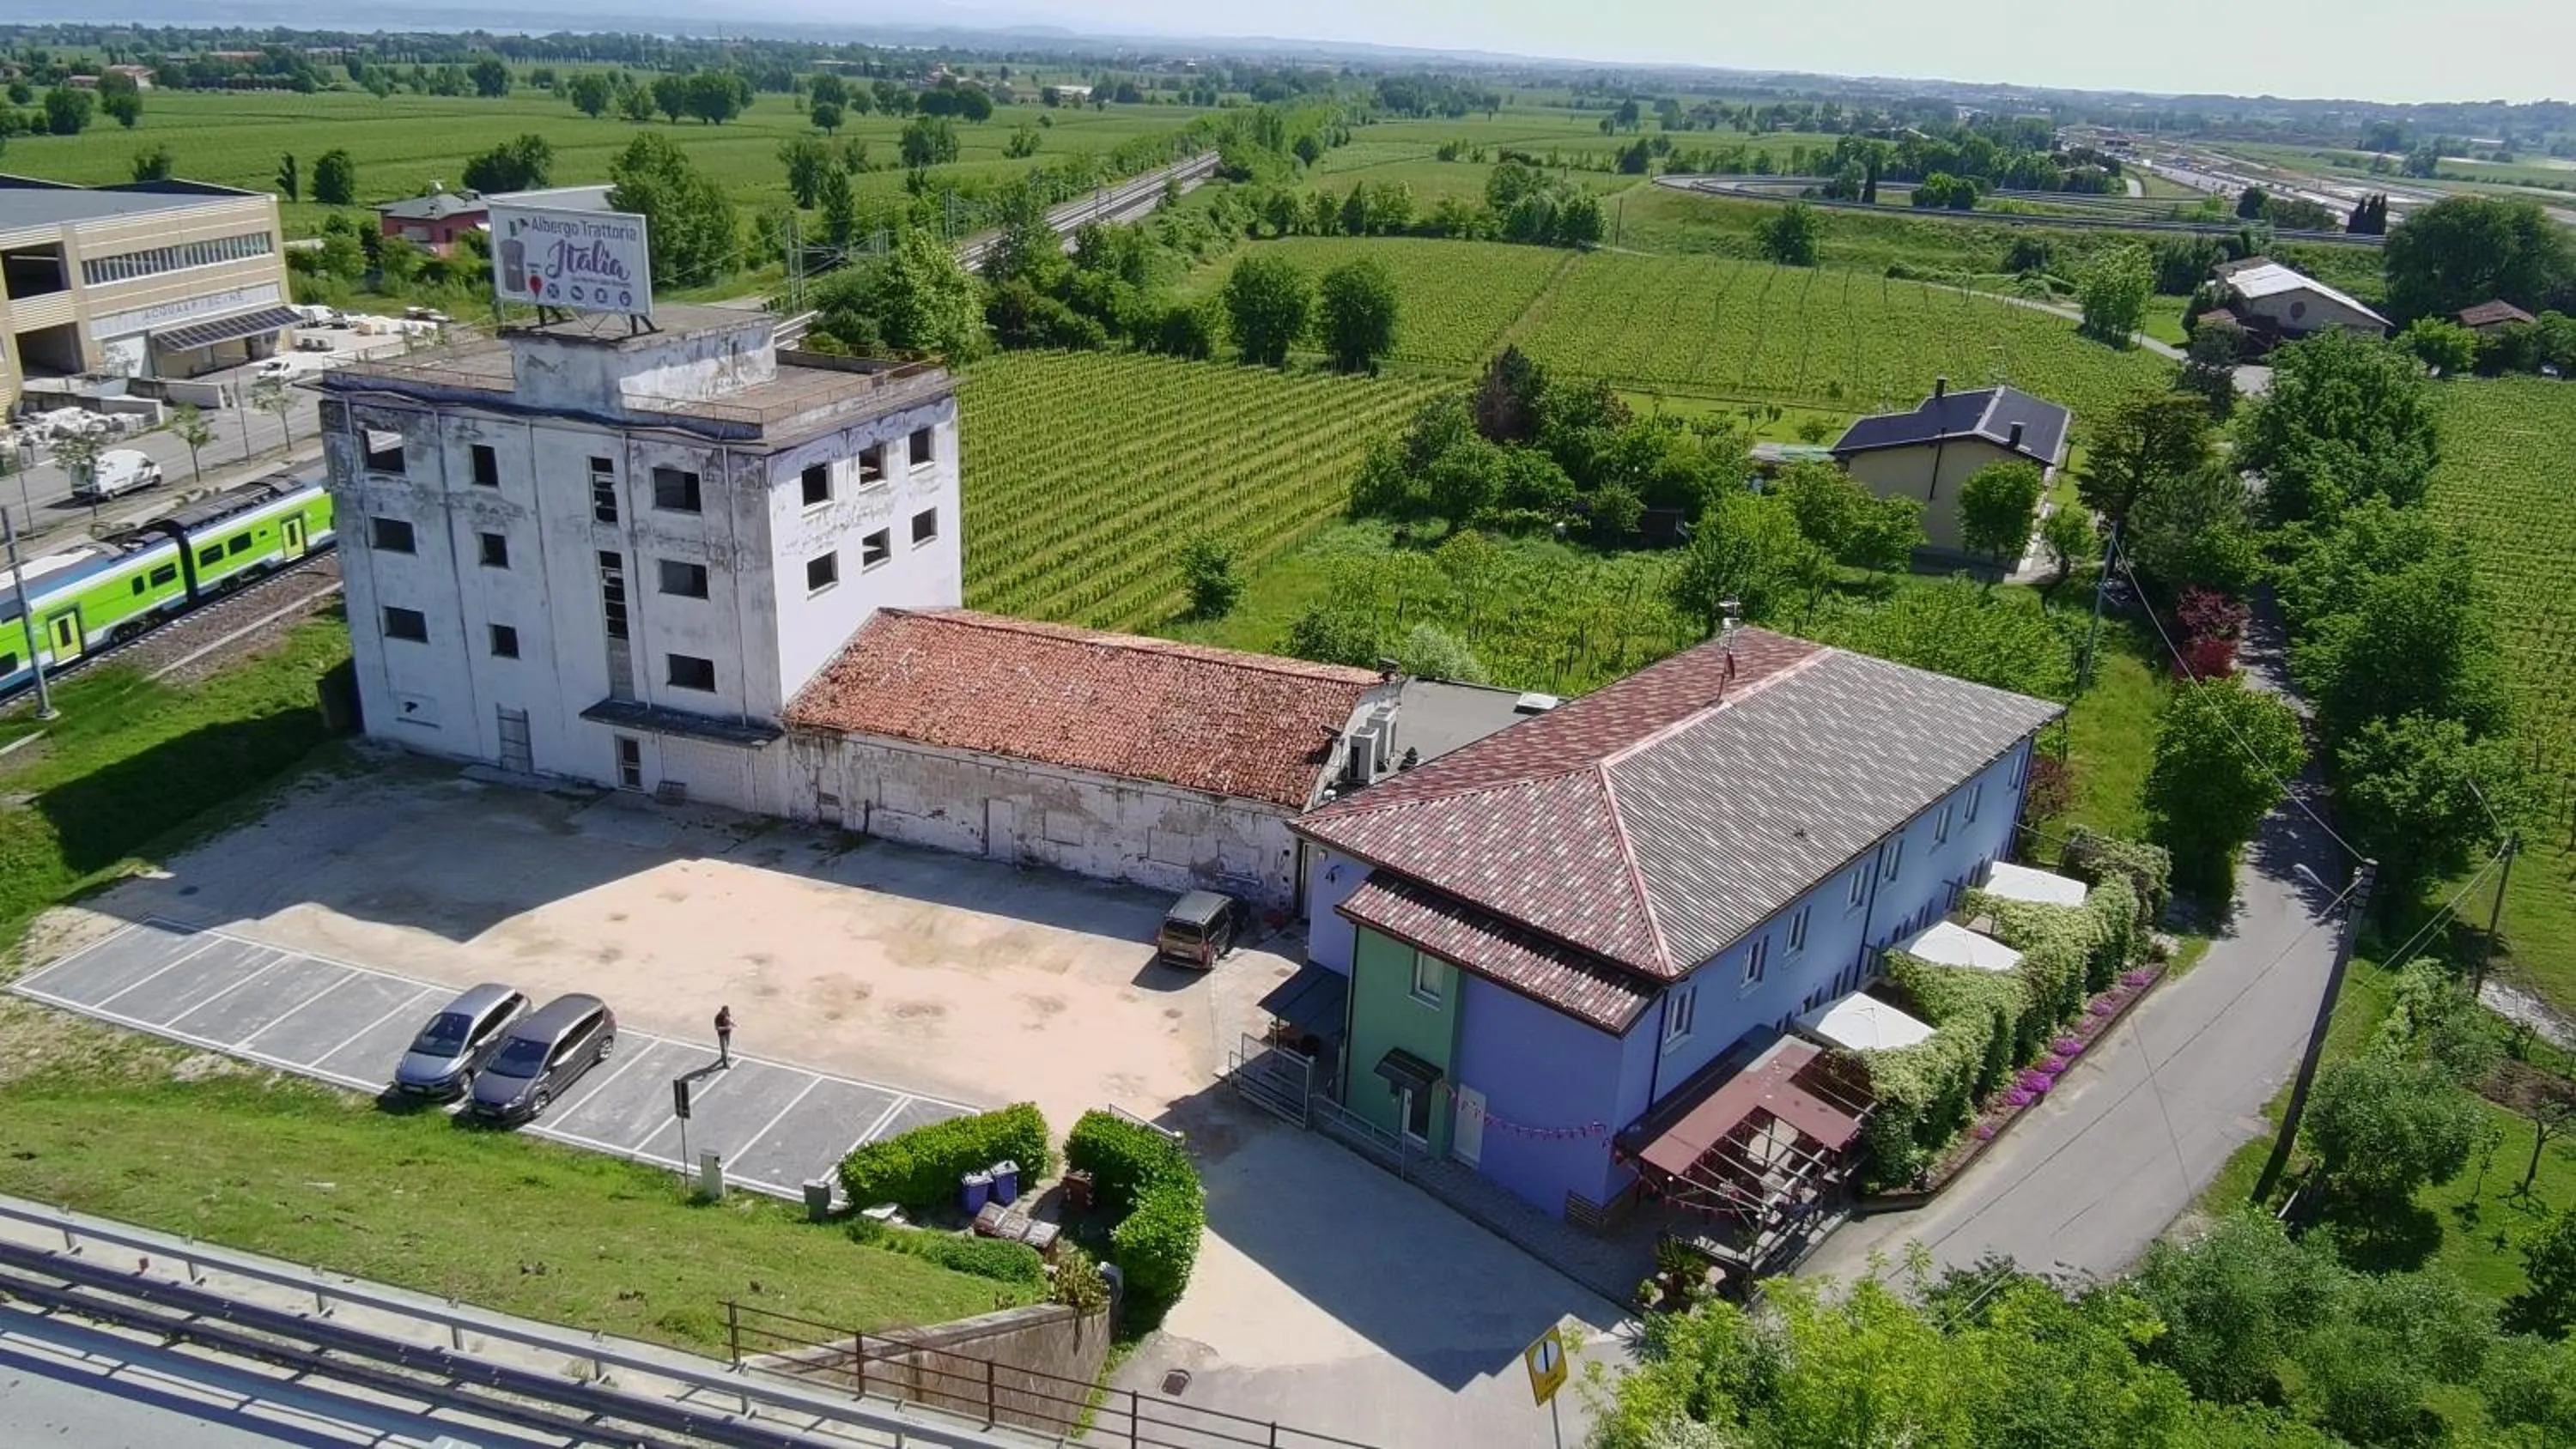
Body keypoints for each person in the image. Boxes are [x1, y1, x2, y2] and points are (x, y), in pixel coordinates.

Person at [714, 1004, 734, 1068]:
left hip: (727, 1033)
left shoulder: (727, 1013)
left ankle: (724, 1057)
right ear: (722, 1011)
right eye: (726, 1012)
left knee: (727, 1046)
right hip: (722, 1035)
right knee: (724, 1049)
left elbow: (729, 1019)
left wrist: (732, 1023)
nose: (727, 1013)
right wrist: (727, 1027)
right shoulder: (718, 1017)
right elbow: (717, 1028)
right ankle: (725, 1064)